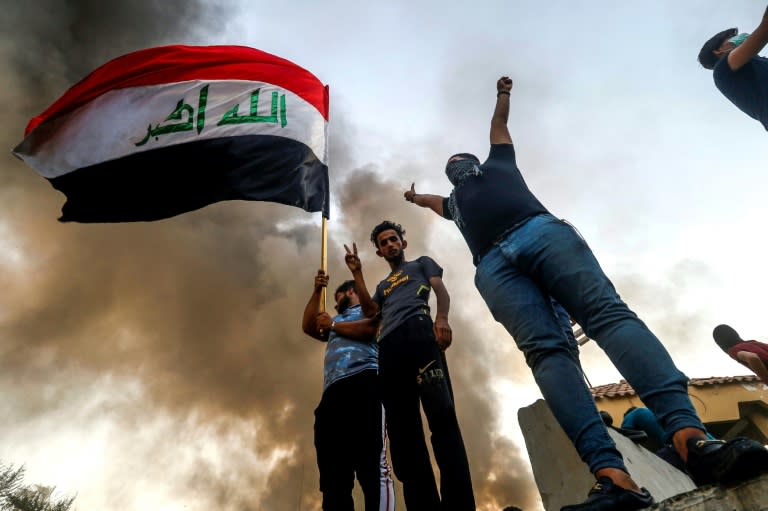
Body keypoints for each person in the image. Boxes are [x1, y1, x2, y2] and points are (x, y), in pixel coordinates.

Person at [402, 75, 768, 510]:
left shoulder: (499, 162)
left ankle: (692, 440)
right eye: (450, 167)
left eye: (460, 160)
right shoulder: (455, 205)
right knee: (544, 353)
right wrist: (414, 196)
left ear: (474, 161)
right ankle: (613, 479)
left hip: (539, 232)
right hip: (494, 268)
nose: (456, 167)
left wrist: (503, 94)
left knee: (606, 315)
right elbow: (431, 201)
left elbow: (498, 125)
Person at [343, 222, 475, 510]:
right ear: (379, 251)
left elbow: (441, 290)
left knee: (441, 416)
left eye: (393, 239)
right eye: (384, 242)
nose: (390, 245)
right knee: (404, 432)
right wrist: (357, 274)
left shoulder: (421, 264)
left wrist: (441, 319)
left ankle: (460, 504)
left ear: (403, 242)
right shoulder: (382, 286)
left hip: (419, 331)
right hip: (389, 347)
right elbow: (370, 312)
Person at [302, 271, 395, 511]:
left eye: (342, 292)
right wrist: (316, 291)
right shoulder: (334, 322)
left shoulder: (368, 309)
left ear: (352, 291)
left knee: (371, 465)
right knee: (334, 475)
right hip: (333, 392)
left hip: (365, 383)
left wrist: (333, 323)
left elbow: (370, 331)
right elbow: (308, 326)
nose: (339, 298)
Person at [697, 4, 768, 130]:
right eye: (731, 37)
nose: (741, 37)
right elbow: (765, 28)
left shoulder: (759, 62)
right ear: (718, 50)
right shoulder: (721, 70)